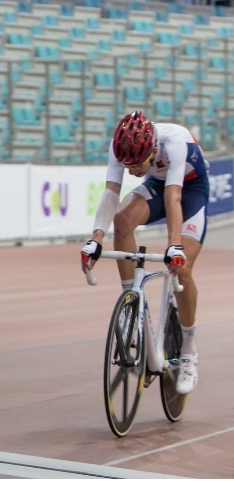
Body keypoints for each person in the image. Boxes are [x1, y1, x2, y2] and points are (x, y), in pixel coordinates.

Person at [81, 111, 209, 395]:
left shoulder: (175, 141)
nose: (131, 171)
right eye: (127, 165)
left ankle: (189, 348)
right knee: (122, 221)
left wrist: (174, 246)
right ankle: (130, 305)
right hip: (159, 184)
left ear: (152, 148)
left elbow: (174, 197)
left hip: (190, 189)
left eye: (137, 165)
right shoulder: (121, 146)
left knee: (182, 267)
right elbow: (110, 193)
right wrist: (95, 239)